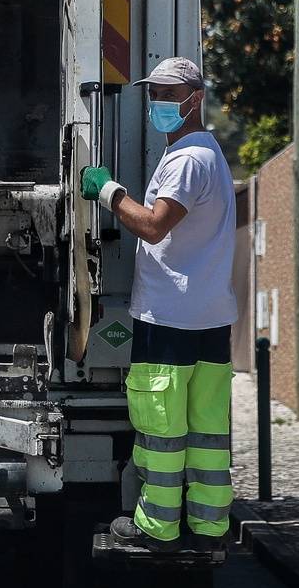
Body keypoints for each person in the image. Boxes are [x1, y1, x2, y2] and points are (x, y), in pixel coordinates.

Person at [79, 56, 237, 553]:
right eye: (154, 94)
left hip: (170, 317)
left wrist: (106, 190)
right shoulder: (209, 153)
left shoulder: (189, 159)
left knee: (163, 428)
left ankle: (157, 526)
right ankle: (210, 527)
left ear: (196, 98)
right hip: (210, 318)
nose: (159, 103)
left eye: (169, 94)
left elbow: (152, 225)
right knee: (206, 431)